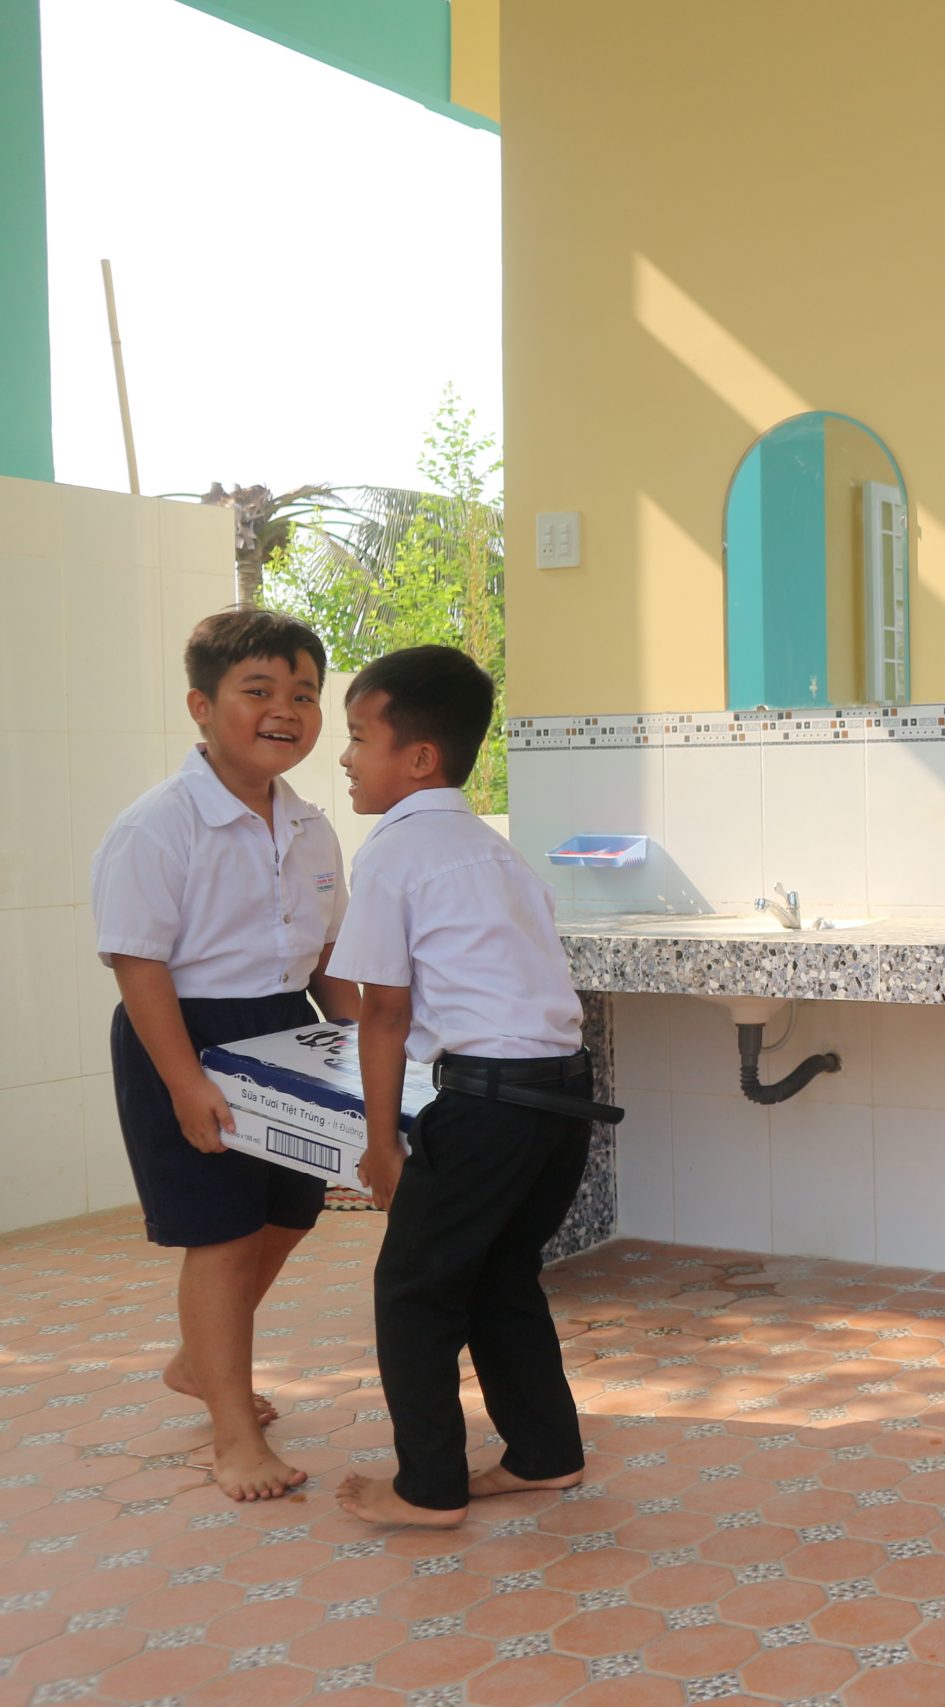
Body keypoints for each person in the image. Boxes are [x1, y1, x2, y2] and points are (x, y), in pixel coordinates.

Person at [325, 645, 615, 1528]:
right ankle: (544, 1454)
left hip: (490, 1104)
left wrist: (381, 1144)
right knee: (498, 1273)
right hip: (560, 1099)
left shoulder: (396, 851)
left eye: (357, 737)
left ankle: (428, 1487)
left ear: (418, 758)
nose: (343, 757)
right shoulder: (497, 853)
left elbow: (382, 1012)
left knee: (413, 1287)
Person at [92, 609, 355, 1500]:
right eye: (260, 691)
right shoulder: (157, 826)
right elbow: (140, 965)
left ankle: (194, 1358)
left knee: (291, 1210)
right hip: (187, 1033)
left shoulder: (313, 827)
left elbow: (330, 964)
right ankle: (233, 1435)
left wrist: (372, 1062)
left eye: (305, 694)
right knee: (220, 1231)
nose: (286, 709)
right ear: (202, 706)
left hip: (289, 1028)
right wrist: (185, 1080)